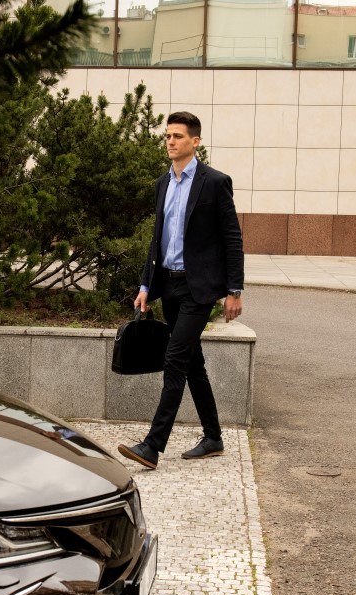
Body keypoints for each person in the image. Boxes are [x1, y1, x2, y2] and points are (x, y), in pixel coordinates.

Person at [117, 111, 244, 471]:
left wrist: (234, 290)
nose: (170, 141)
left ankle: (152, 446)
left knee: (174, 360)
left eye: (177, 136)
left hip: (197, 288)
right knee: (192, 363)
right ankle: (213, 437)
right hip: (168, 285)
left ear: (195, 142)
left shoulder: (214, 182)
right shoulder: (163, 184)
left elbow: (232, 238)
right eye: (168, 136)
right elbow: (156, 240)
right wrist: (145, 285)